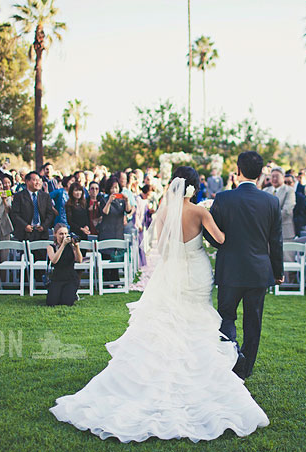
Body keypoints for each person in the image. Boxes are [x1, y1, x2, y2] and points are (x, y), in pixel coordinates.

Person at [51, 165, 269, 442]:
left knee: (169, 319)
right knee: (196, 319)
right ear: (193, 186)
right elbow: (221, 239)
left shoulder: (165, 212)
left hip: (171, 271)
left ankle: (158, 372)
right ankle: (196, 376)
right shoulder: (201, 211)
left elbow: (163, 248)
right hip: (197, 270)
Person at [205, 152, 284, 381]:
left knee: (226, 316)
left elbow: (212, 235)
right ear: (261, 174)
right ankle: (246, 367)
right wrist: (277, 272)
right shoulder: (271, 201)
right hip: (259, 271)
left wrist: (222, 244)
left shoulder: (223, 198)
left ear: (237, 171)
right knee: (253, 320)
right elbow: (275, 242)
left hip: (230, 269)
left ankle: (233, 356)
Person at [98, 177, 132, 283]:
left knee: (116, 255)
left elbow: (128, 210)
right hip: (106, 231)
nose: (114, 190)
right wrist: (109, 201)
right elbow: (105, 212)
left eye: (116, 188)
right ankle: (106, 280)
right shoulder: (104, 199)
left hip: (118, 231)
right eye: (112, 188)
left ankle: (115, 279)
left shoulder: (121, 201)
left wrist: (127, 201)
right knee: (106, 255)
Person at [10, 171, 56, 242]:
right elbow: (15, 214)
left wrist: (43, 226)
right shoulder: (19, 196)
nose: (38, 182)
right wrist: (25, 226)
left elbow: (50, 213)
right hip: (25, 234)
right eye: (35, 180)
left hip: (42, 234)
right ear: (27, 181)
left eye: (39, 180)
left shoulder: (45, 196)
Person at [45, 223, 83, 306]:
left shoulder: (71, 246)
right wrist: (63, 245)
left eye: (66, 233)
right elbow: (54, 260)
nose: (64, 236)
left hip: (71, 278)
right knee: (51, 303)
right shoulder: (51, 247)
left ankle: (72, 294)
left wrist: (77, 247)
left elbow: (79, 260)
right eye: (61, 234)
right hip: (57, 278)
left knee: (66, 302)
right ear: (55, 234)